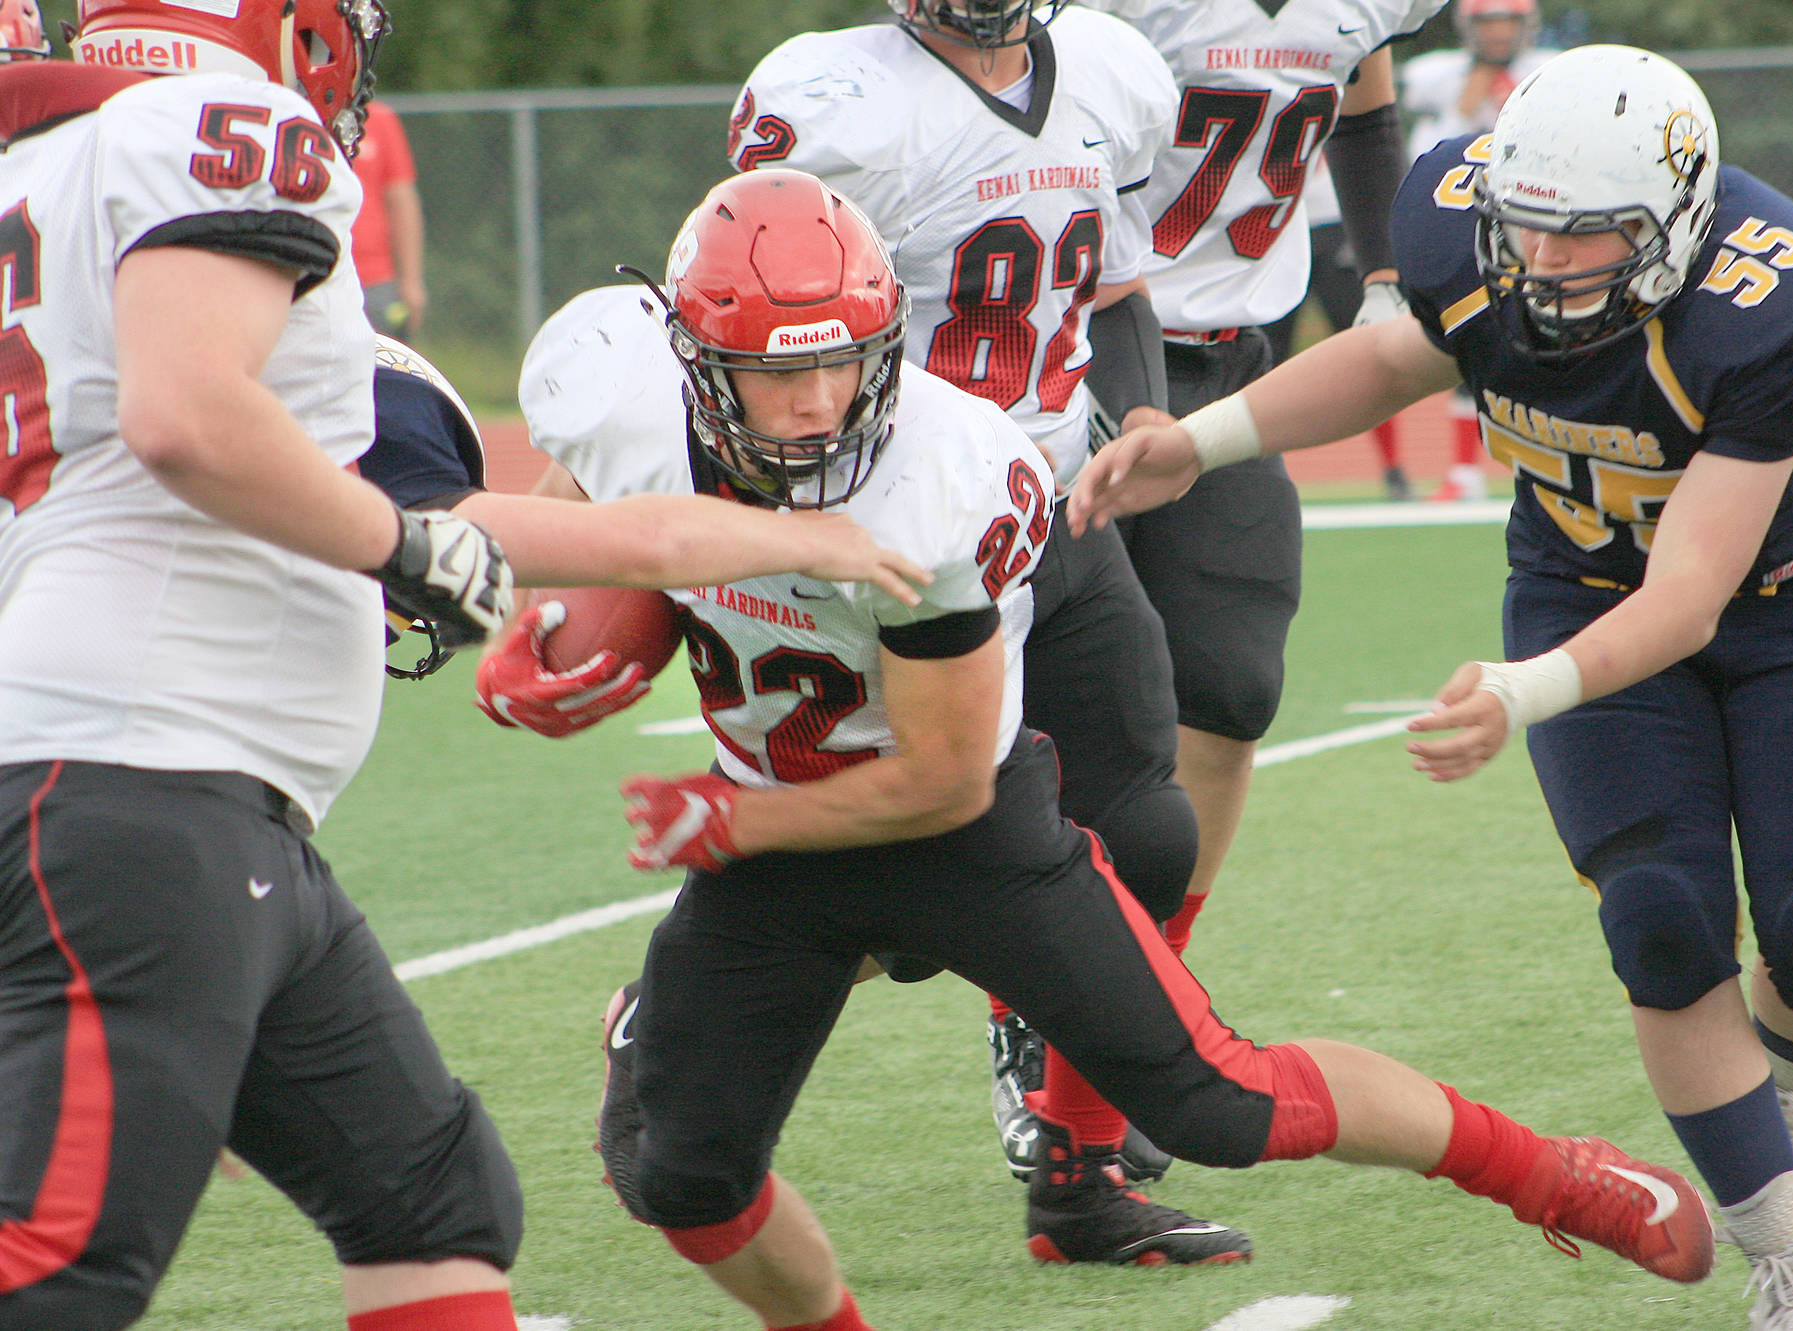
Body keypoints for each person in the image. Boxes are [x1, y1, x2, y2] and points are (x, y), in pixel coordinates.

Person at [558, 165, 1710, 1331]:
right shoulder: (613, 384)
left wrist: (730, 821)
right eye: (773, 373)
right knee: (687, 1180)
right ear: (698, 369)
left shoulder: (948, 478)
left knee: (1221, 1101)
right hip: (776, 838)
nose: (813, 402)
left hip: (958, 830)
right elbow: (589, 484)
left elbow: (938, 779)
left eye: (834, 362)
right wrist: (561, 624)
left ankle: (1550, 1172)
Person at [1072, 45, 1793, 1331]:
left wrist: (1522, 692)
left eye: (1588, 239)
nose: (1546, 265)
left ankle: (1782, 1082)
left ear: (1678, 220)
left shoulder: (1782, 295)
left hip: (1791, 598)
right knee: (1665, 923)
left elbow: (1685, 593)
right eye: (1528, 231)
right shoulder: (1469, 227)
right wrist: (1198, 438)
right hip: (1576, 582)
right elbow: (1398, 359)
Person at [0, 0, 531, 1326]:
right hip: (144, 763)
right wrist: (398, 542)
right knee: (58, 1266)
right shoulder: (203, 120)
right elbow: (186, 414)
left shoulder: (47, 169)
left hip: (183, 790)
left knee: (434, 1202)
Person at [723, 0, 1232, 1256]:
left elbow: (1112, 291)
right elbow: (745, 312)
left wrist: (1127, 434)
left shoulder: (1110, 71)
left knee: (1146, 831)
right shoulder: (842, 102)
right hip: (913, 535)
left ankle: (1078, 1177)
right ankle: (679, 1005)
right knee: (900, 886)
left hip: (1053, 508)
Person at [1071, 0, 1439, 1172]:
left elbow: (1366, 113)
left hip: (1229, 370)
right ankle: (711, 976)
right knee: (1022, 727)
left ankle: (1149, 1001)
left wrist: (1382, 280)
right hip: (1070, 361)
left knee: (1226, 692)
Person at [361, 333, 933, 694]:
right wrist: (808, 541)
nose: (817, 404)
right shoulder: (640, 412)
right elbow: (641, 542)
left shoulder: (940, 454)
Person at [1398, 0, 1557, 502]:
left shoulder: (1551, 71)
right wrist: (1464, 105)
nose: (1497, 34)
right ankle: (1466, 472)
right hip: (1471, 229)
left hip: (1543, 226)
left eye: (1507, 21)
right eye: (1488, 22)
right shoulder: (1440, 76)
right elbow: (1433, 152)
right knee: (1469, 339)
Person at [1260, 155, 1412, 501]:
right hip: (1277, 222)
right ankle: (1255, 471)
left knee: (1367, 348)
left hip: (1333, 222)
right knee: (1263, 357)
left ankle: (1394, 468)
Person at [353, 100, 426, 338]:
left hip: (375, 279)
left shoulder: (379, 119)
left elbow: (402, 203)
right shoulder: (302, 112)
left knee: (384, 366)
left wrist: (411, 281)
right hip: (317, 278)